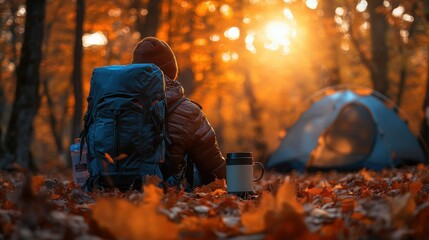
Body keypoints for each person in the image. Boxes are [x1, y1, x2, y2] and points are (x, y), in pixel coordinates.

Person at [132, 37, 226, 187]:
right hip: (163, 190)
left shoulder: (111, 104)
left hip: (110, 184)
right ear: (172, 71)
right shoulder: (189, 112)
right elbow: (214, 171)